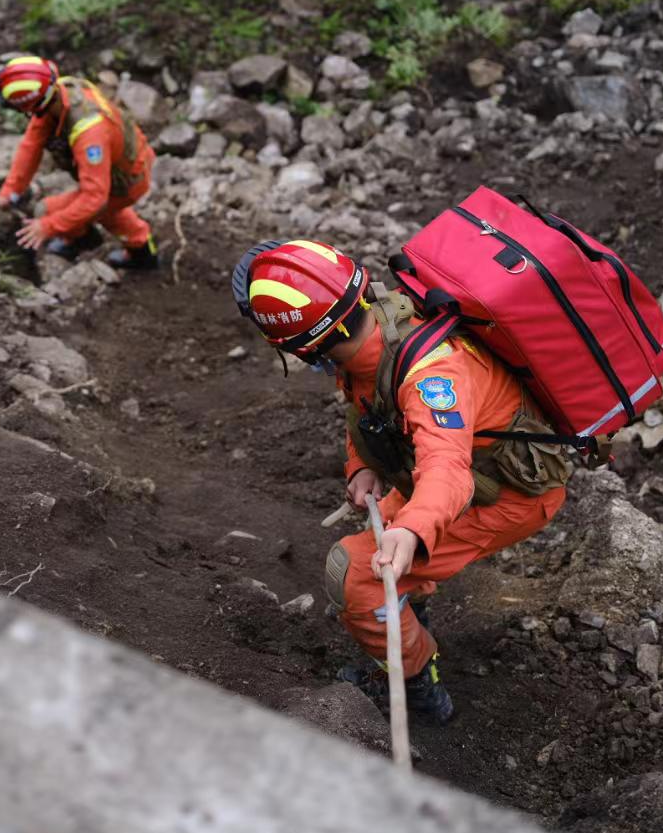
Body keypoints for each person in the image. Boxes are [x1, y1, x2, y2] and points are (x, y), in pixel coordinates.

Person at [232, 238, 575, 723]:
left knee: (355, 573)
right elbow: (366, 406)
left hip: (505, 495)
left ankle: (416, 686)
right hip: (457, 478)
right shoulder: (370, 333)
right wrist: (362, 465)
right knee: (389, 548)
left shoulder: (431, 376)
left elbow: (446, 467)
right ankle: (408, 612)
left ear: (305, 348)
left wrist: (412, 528)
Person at [0, 53, 158, 269]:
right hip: (120, 163)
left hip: (128, 179)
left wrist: (47, 226)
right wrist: (9, 192)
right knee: (109, 213)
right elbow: (31, 146)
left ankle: (88, 239)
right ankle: (141, 249)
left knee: (53, 210)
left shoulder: (90, 135)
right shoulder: (56, 94)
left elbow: (95, 198)